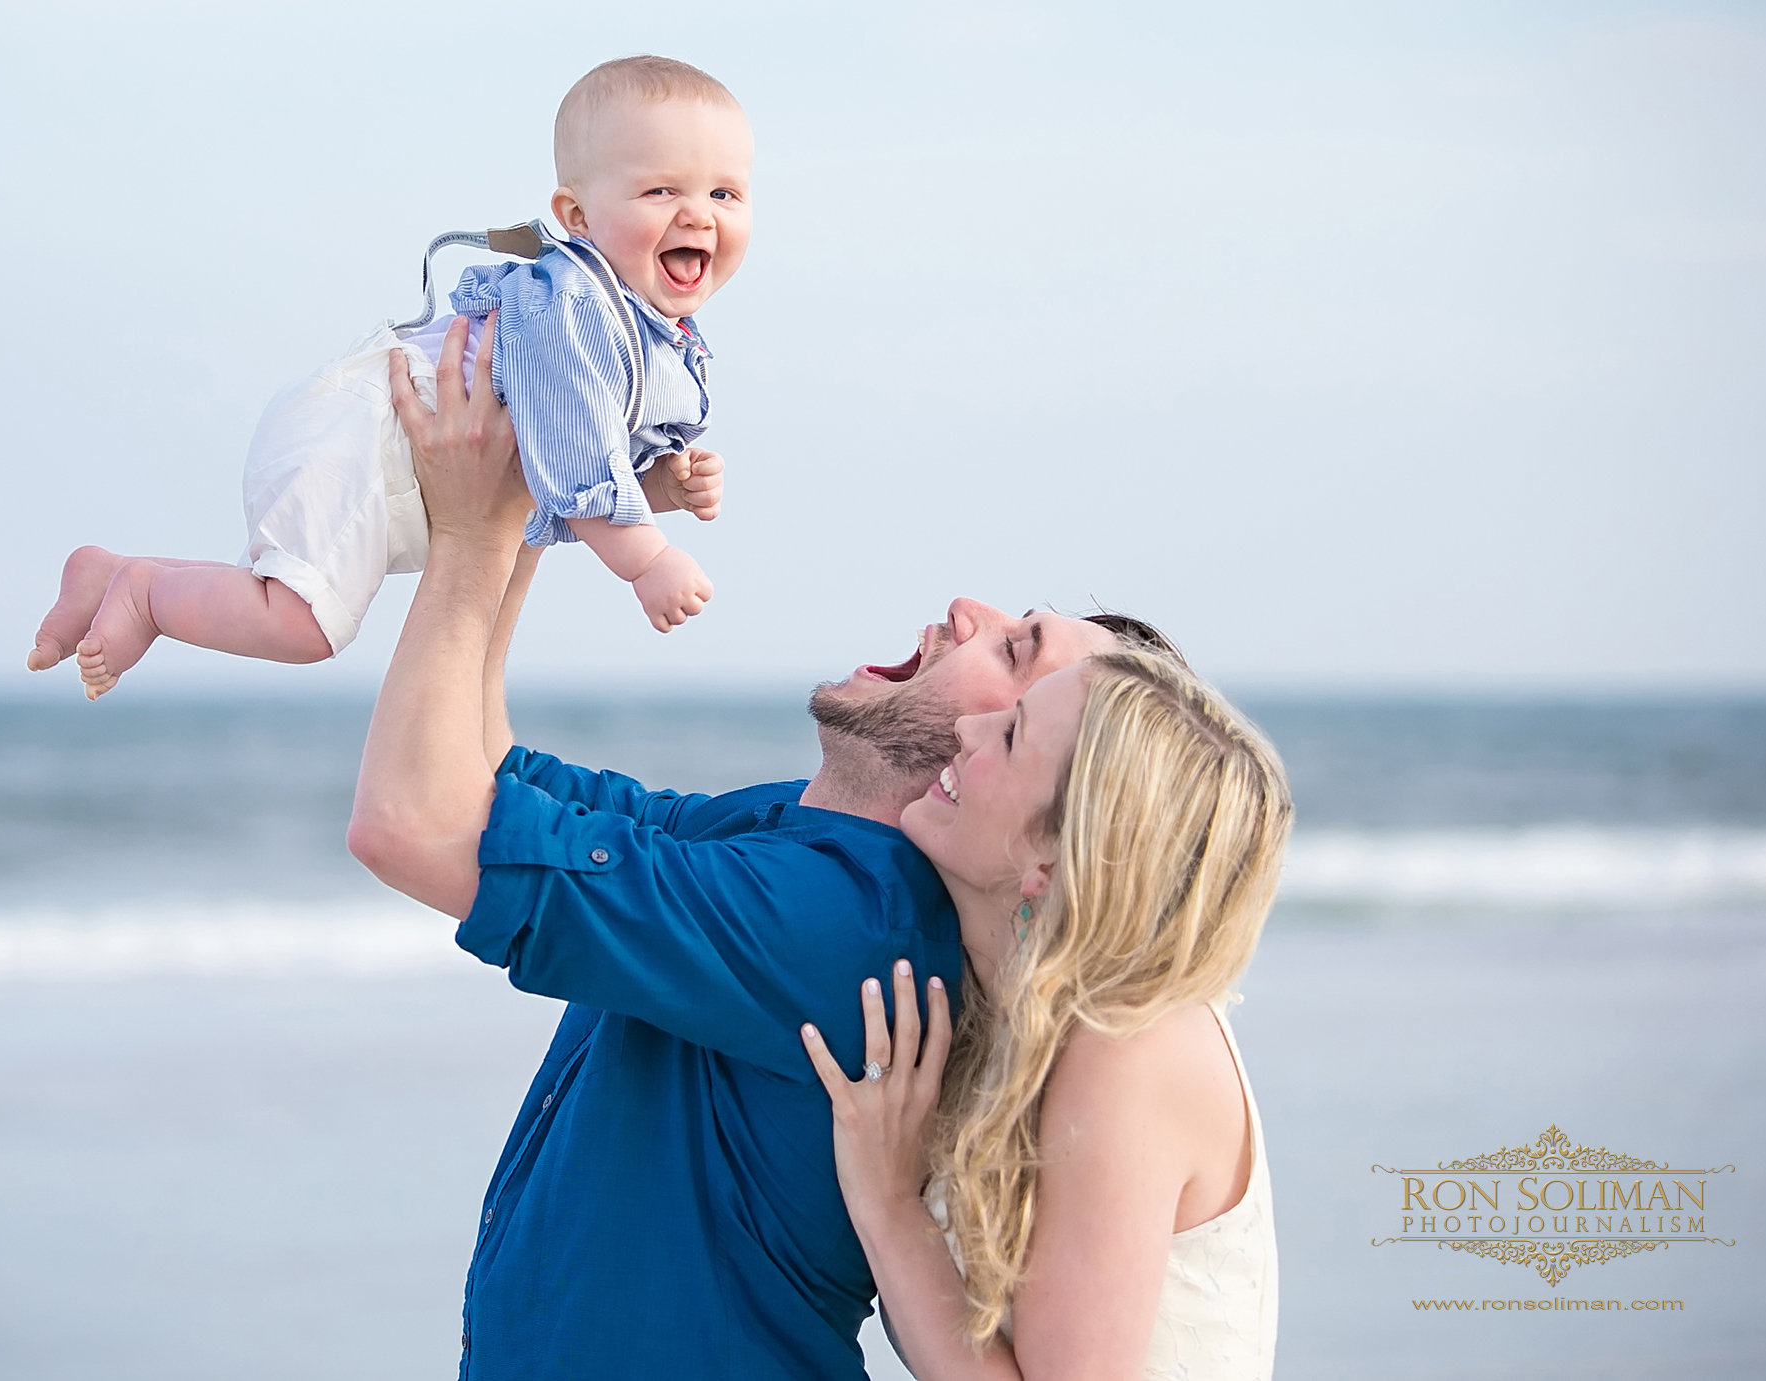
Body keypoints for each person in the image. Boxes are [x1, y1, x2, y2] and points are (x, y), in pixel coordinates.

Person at [344, 310, 1162, 1378]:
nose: (968, 607)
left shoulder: (845, 921)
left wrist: (469, 535)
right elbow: (480, 778)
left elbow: (408, 823)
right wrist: (544, 489)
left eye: (1014, 656)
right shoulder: (804, 835)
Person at [26, 55, 745, 699]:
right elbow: (578, 453)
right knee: (302, 625)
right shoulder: (578, 306)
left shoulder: (646, 326)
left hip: (402, 456)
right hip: (369, 440)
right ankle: (149, 596)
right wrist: (645, 559)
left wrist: (661, 487)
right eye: (660, 191)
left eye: (724, 194)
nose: (698, 215)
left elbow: (571, 463)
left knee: (284, 597)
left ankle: (110, 573)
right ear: (577, 216)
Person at [800, 650, 1292, 1380]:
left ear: (1053, 860)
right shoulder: (1014, 1012)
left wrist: (889, 1200)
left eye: (1009, 736)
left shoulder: (1129, 1049)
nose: (967, 726)